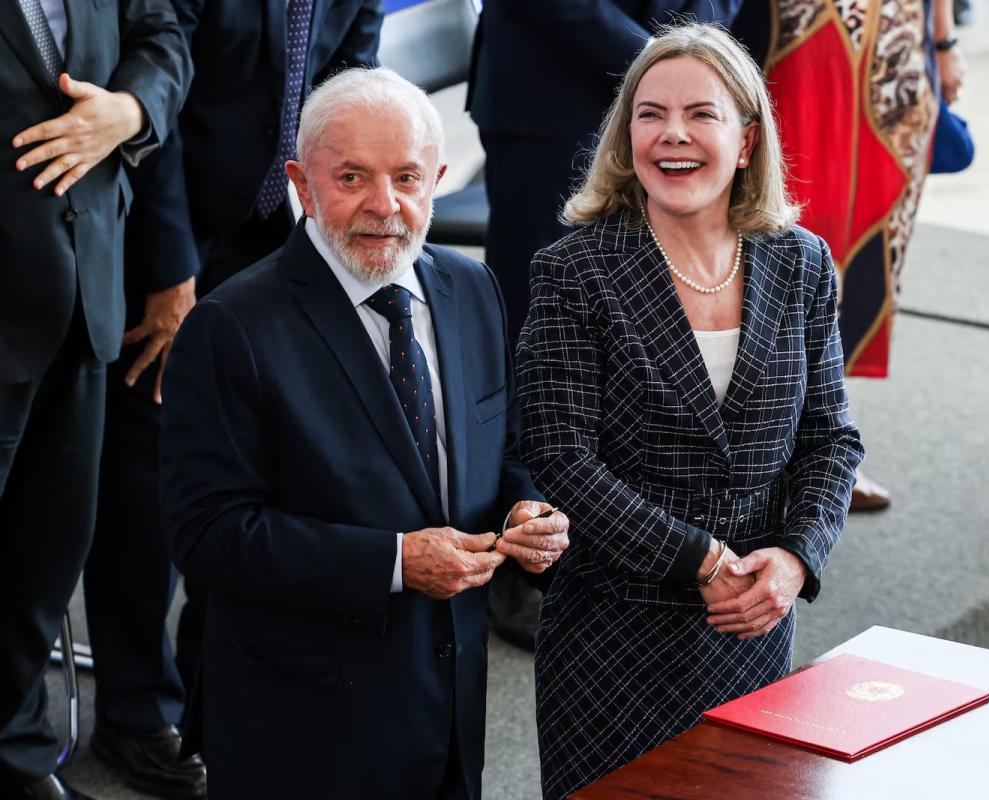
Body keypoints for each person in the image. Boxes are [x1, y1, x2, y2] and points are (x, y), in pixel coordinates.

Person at [159, 67, 569, 800]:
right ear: (302, 184)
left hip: (449, 706)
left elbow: (502, 448)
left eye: (406, 177)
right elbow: (209, 535)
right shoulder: (230, 327)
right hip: (302, 723)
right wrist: (395, 562)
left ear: (437, 180)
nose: (384, 205)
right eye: (352, 177)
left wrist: (522, 509)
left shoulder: (473, 288)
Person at [515, 23, 863, 799]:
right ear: (626, 138)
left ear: (746, 142)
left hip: (753, 630)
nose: (672, 134)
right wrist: (701, 561)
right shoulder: (574, 272)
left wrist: (797, 557)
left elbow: (831, 440)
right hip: (613, 644)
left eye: (701, 114)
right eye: (651, 114)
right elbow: (561, 457)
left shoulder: (801, 262)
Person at [81, 3, 382, 794]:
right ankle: (134, 710)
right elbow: (158, 102)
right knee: (149, 480)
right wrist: (167, 270)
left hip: (276, 232)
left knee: (259, 471)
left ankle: (210, 693)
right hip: (168, 227)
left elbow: (348, 86)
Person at [467, 0, 747, 651]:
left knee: (659, 318)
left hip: (680, 89)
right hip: (553, 93)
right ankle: (523, 551)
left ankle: (663, 534)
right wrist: (663, 67)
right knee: (537, 338)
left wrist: (682, 64)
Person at [0, 1, 190, 797]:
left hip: (83, 287)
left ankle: (13, 754)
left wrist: (131, 109)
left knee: (46, 554)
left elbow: (161, 33)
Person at [733, 0, 966, 511]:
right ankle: (751, 448)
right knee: (778, 227)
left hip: (894, 46)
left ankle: (825, 447)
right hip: (796, 37)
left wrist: (944, 40)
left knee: (868, 239)